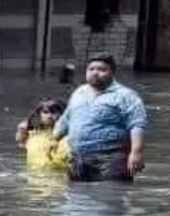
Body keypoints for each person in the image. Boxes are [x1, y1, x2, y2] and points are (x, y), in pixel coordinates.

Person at [51, 54, 147, 182]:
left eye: (102, 70)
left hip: (112, 158)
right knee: (75, 198)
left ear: (112, 72)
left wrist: (136, 152)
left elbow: (137, 124)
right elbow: (67, 118)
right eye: (91, 69)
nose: (95, 73)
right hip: (78, 158)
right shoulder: (80, 92)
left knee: (110, 196)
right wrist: (54, 139)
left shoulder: (126, 96)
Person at [15, 99, 71, 171]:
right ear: (39, 114)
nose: (49, 116)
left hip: (60, 175)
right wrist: (21, 130)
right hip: (35, 175)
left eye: (54, 112)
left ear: (62, 114)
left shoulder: (69, 133)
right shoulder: (31, 133)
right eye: (45, 112)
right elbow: (21, 143)